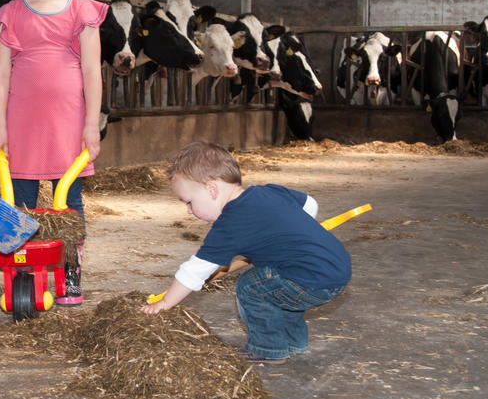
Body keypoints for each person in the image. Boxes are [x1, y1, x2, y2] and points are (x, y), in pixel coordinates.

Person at [141, 141, 351, 364]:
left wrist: (165, 303)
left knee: (252, 286)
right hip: (337, 271)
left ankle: (268, 348)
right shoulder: (268, 191)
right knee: (278, 288)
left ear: (211, 189)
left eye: (189, 202)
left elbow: (195, 271)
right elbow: (310, 205)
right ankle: (292, 342)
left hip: (309, 279)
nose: (189, 212)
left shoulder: (230, 223)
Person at [0, 0, 107, 306]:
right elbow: (0, 74)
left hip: (67, 123)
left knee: (67, 200)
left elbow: (92, 72)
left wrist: (92, 126)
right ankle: (22, 269)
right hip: (22, 123)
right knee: (19, 200)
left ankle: (69, 272)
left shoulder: (82, 12)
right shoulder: (10, 14)